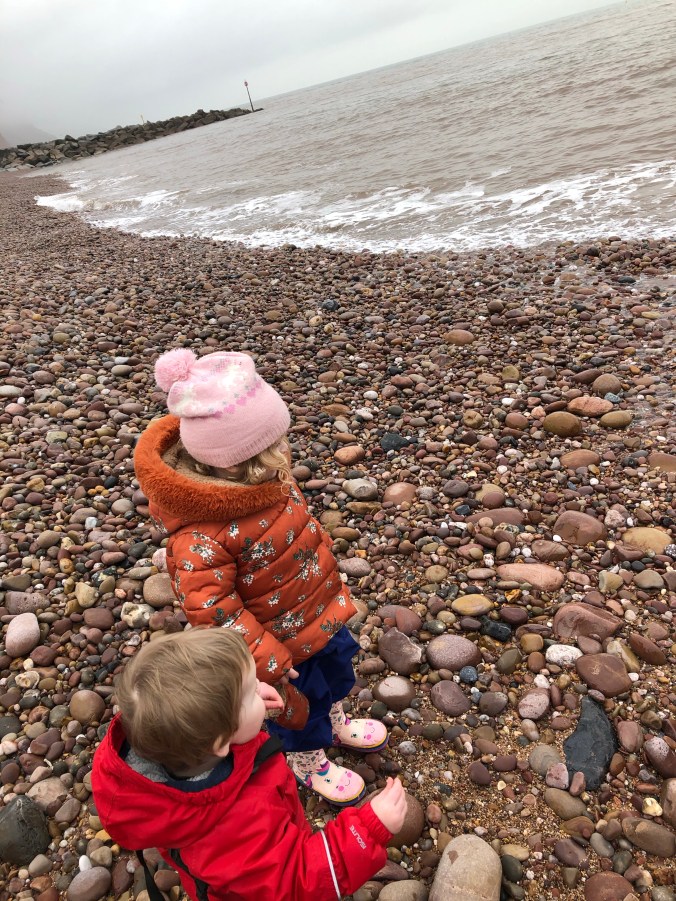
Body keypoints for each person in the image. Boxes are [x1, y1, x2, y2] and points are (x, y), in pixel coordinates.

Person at [133, 347, 388, 806]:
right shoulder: (200, 536)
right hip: (280, 646)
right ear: (232, 461)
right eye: (272, 450)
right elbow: (213, 610)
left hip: (317, 613)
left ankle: (336, 723)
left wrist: (329, 583)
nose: (283, 455)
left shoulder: (268, 479)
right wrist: (265, 659)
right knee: (299, 707)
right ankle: (308, 760)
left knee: (336, 675)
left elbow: (300, 535)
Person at [91, 629, 406, 901]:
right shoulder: (233, 829)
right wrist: (368, 831)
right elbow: (294, 883)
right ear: (220, 740)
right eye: (249, 690)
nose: (262, 686)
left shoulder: (174, 747)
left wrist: (246, 706)